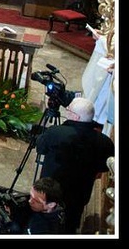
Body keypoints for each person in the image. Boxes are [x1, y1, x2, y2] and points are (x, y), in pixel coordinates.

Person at [36, 97, 114, 233]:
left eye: (69, 110)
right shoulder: (105, 142)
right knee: (69, 227)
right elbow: (105, 166)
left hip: (49, 193)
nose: (66, 111)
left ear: (75, 117)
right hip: (78, 197)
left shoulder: (55, 132)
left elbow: (40, 148)